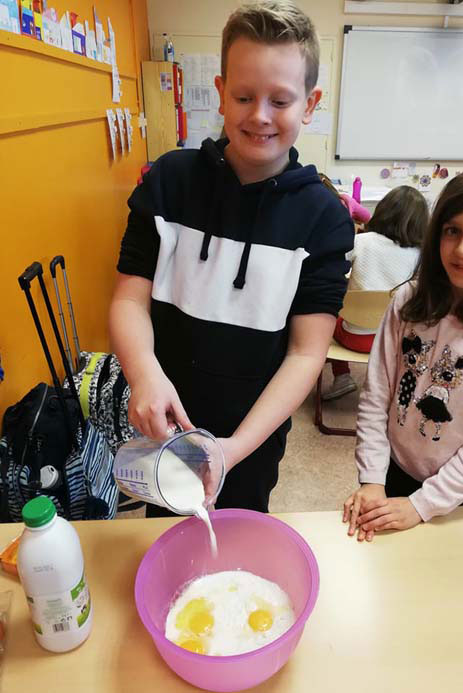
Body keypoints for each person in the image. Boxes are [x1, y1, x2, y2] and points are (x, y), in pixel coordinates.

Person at [109, 1, 354, 515]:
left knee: (239, 530)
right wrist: (144, 374)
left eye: (280, 100)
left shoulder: (323, 219)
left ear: (309, 104)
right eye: (244, 97)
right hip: (166, 425)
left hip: (252, 439)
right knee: (164, 527)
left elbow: (306, 353)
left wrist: (233, 450)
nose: (259, 115)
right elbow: (129, 300)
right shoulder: (168, 182)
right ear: (221, 93)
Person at [342, 165, 463, 541]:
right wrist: (372, 479)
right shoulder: (408, 299)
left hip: (454, 491)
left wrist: (422, 505)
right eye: (452, 230)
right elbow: (377, 394)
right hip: (392, 466)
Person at [323, 185, 429, 400]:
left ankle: (342, 377)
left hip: (354, 337)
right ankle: (391, 386)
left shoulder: (360, 241)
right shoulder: (421, 255)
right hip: (397, 342)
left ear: (382, 211)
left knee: (328, 316)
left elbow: (328, 267)